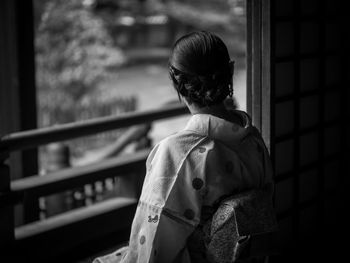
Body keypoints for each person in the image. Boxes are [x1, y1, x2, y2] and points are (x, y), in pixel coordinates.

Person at [93, 31, 277, 263]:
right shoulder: (252, 139)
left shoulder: (178, 153)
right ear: (229, 71)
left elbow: (153, 248)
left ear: (176, 82)